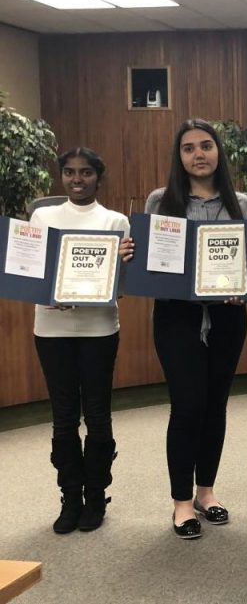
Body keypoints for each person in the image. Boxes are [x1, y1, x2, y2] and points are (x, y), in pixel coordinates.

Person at [120, 119, 247, 539]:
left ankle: (206, 492)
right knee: (187, 405)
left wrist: (244, 285)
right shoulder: (161, 201)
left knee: (215, 404)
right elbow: (149, 261)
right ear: (178, 157)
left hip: (228, 317)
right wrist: (131, 253)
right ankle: (181, 503)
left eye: (206, 146)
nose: (198, 154)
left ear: (219, 152)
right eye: (188, 148)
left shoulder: (244, 206)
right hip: (177, 316)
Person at [31, 147, 130, 534]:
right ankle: (70, 497)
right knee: (63, 418)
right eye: (70, 172)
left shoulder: (115, 221)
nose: (77, 179)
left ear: (98, 177)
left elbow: (120, 289)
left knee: (98, 415)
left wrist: (123, 267)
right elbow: (32, 269)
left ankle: (95, 496)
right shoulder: (43, 216)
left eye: (86, 172)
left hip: (99, 328)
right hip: (51, 328)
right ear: (61, 176)